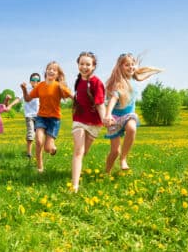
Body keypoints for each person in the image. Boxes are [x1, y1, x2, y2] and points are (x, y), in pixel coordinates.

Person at [104, 53, 162, 174]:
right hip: (114, 118)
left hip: (128, 116)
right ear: (120, 67)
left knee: (132, 128)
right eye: (127, 65)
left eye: (132, 64)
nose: (131, 67)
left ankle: (123, 159)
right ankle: (106, 173)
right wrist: (108, 114)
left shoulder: (134, 78)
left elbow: (141, 76)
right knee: (115, 152)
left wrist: (154, 71)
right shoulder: (118, 84)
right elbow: (113, 100)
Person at [21, 61, 73, 173]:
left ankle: (52, 148)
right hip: (41, 117)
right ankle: (40, 167)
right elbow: (27, 99)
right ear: (46, 71)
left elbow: (73, 97)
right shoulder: (40, 86)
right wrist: (24, 89)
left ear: (58, 74)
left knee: (47, 148)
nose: (51, 71)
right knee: (39, 141)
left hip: (54, 120)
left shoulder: (59, 86)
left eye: (54, 70)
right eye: (49, 68)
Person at [71, 52, 106, 193]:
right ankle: (74, 186)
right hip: (79, 120)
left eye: (88, 64)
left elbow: (100, 104)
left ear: (93, 66)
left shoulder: (97, 83)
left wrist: (104, 119)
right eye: (81, 64)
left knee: (83, 152)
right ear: (78, 65)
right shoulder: (78, 81)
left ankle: (76, 169)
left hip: (94, 123)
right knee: (79, 151)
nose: (84, 67)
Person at [21, 73, 41, 159]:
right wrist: (10, 105)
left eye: (37, 80)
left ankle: (39, 152)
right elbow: (19, 98)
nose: (35, 81)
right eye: (33, 80)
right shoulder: (28, 89)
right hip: (29, 115)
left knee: (39, 135)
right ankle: (29, 154)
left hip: (40, 116)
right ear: (30, 81)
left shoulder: (41, 89)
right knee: (30, 134)